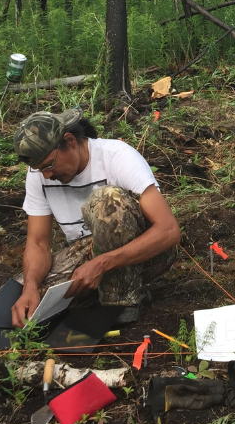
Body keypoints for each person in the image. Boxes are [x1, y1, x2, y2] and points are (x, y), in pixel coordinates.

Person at [10, 108, 180, 327]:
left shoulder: (117, 157)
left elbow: (168, 230)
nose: (47, 175)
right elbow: (38, 242)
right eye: (39, 169)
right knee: (27, 300)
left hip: (148, 254)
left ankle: (120, 302)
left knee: (106, 200)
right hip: (87, 253)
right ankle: (102, 294)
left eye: (49, 165)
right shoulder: (40, 175)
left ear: (70, 141)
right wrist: (30, 287)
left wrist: (102, 264)